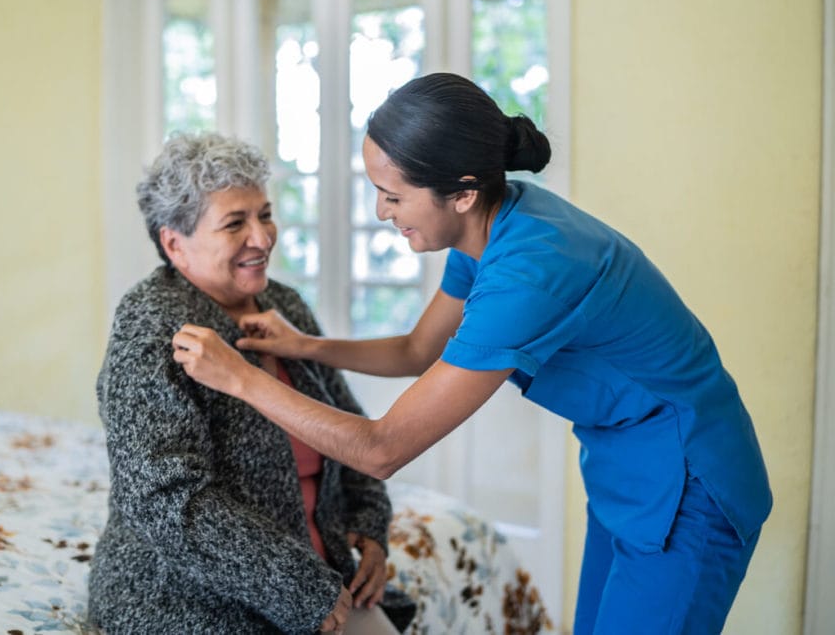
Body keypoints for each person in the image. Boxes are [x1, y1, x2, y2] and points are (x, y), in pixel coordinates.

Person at [171, 72, 772, 635]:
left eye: (393, 196)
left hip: (689, 479)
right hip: (625, 466)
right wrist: (306, 347)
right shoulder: (483, 228)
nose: (381, 212)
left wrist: (241, 379)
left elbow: (382, 450)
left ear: (460, 193)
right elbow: (417, 350)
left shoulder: (532, 270)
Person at [88, 131, 415, 635]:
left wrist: (372, 529)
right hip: (191, 600)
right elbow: (167, 498)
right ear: (175, 243)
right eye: (234, 223)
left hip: (323, 578)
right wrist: (296, 586)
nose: (262, 238)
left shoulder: (282, 305)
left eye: (264, 214)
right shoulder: (150, 326)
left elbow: (349, 428)